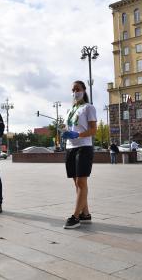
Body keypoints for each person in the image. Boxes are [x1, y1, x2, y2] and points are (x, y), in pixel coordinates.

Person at [61, 80, 97, 229]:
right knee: (77, 183)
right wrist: (64, 131)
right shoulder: (70, 110)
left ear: (84, 90)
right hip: (71, 148)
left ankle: (75, 216)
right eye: (73, 90)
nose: (75, 92)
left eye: (77, 89)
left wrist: (78, 135)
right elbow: (70, 128)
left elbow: (93, 129)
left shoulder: (89, 107)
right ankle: (85, 214)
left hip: (84, 147)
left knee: (82, 183)